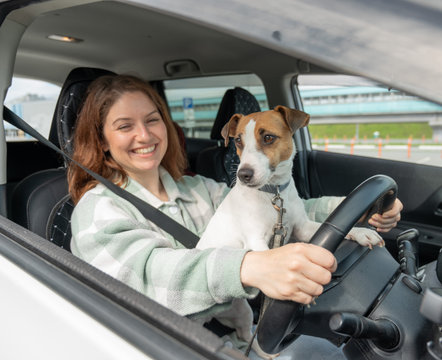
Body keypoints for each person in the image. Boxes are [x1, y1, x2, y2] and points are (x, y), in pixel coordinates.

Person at [68, 74, 403, 357]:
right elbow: (147, 279)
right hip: (161, 346)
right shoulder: (98, 210)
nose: (144, 135)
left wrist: (355, 210)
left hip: (237, 340)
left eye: (152, 120)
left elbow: (282, 212)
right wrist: (248, 266)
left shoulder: (198, 189)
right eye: (125, 126)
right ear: (102, 141)